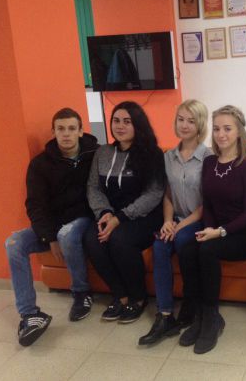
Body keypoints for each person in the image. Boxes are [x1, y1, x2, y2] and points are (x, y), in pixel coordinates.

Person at [4, 107, 99, 347]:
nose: (66, 134)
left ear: (81, 131)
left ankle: (81, 293)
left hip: (82, 218)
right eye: (60, 129)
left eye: (71, 128)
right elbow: (35, 205)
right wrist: (48, 237)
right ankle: (30, 315)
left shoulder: (96, 155)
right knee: (13, 243)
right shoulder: (40, 164)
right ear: (53, 132)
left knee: (67, 234)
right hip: (52, 224)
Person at [177, 105, 246, 354]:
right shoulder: (210, 162)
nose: (221, 134)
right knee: (187, 247)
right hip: (214, 229)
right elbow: (209, 203)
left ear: (239, 132)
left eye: (227, 128)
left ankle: (212, 317)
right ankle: (198, 313)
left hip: (241, 235)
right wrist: (209, 228)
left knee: (208, 250)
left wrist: (219, 231)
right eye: (216, 129)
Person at [138, 100, 213, 346]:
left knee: (181, 240)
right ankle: (165, 315)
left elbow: (208, 203)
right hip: (176, 219)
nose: (185, 125)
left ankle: (193, 305)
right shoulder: (168, 156)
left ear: (200, 124)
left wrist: (180, 227)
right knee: (159, 246)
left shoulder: (209, 157)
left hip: (199, 219)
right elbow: (168, 194)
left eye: (191, 120)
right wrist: (168, 221)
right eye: (181, 119)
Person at [84, 101, 165, 324]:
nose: (120, 126)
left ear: (138, 125)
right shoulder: (103, 152)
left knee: (120, 239)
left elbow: (154, 193)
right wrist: (104, 213)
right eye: (116, 121)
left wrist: (120, 218)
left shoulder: (152, 154)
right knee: (92, 238)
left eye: (127, 122)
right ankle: (120, 295)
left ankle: (138, 298)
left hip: (144, 216)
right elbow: (93, 187)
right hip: (110, 214)